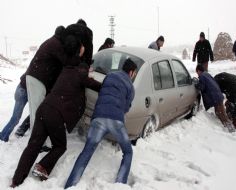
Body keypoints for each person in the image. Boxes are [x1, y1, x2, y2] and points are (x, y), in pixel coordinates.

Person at [10, 27, 101, 188]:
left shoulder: (65, 68)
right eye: (82, 48)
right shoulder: (80, 72)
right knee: (60, 146)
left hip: (44, 109)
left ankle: (16, 180)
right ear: (78, 52)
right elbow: (94, 85)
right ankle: (42, 167)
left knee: (33, 144)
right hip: (55, 115)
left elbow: (71, 66)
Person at [64, 58, 137, 189]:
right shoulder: (130, 87)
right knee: (128, 152)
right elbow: (125, 108)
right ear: (131, 72)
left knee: (87, 151)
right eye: (134, 73)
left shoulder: (109, 76)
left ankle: (70, 185)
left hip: (98, 118)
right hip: (116, 121)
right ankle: (120, 184)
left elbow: (103, 92)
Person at [0, 25, 66, 142]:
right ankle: (26, 137)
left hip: (20, 88)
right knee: (34, 113)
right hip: (23, 90)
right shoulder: (53, 47)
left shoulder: (37, 62)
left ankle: (4, 135)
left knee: (16, 117)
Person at [195, 65, 235, 132]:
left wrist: (196, 84)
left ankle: (231, 129)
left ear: (198, 70)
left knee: (221, 114)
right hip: (218, 95)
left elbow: (202, 87)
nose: (197, 73)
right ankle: (226, 125)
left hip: (215, 97)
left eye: (197, 72)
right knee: (218, 112)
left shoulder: (202, 76)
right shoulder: (207, 74)